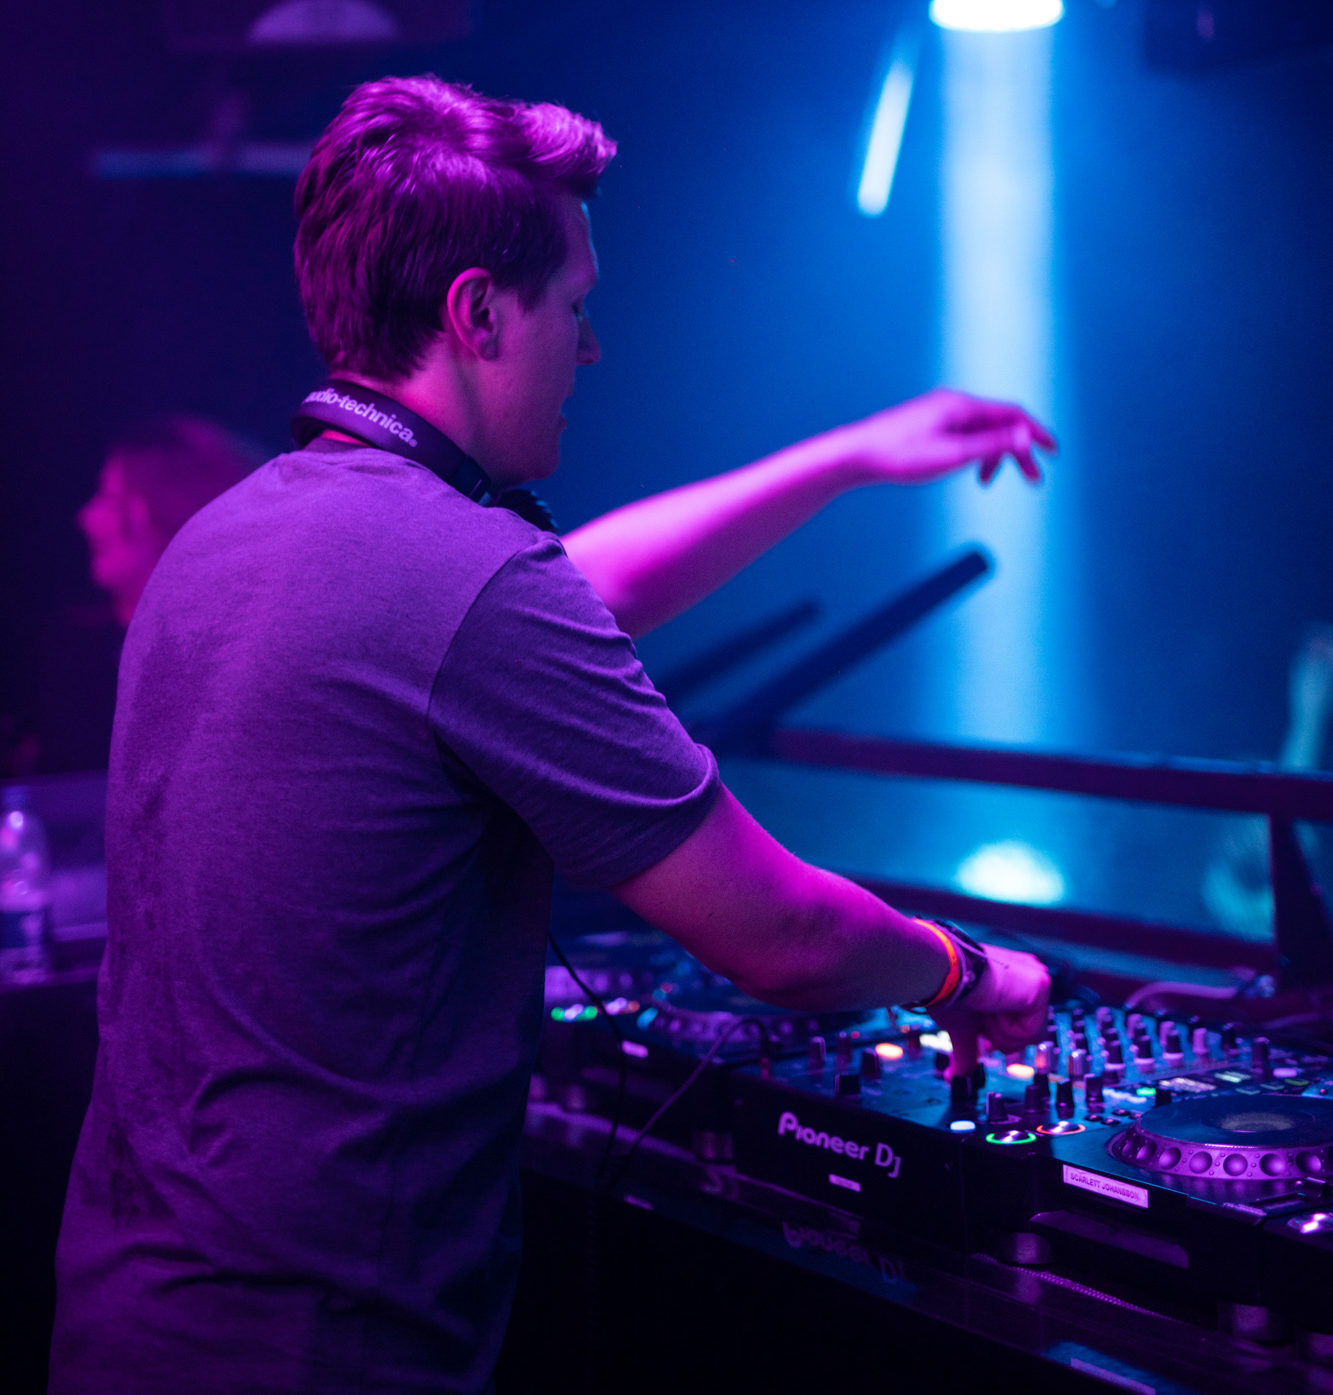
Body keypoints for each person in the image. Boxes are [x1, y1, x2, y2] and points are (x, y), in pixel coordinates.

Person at [50, 77, 1053, 1395]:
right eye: (573, 307)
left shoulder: (227, 537)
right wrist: (970, 971)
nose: (590, 350)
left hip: (125, 1313)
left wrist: (850, 455)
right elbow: (780, 936)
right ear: (478, 315)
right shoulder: (462, 576)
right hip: (317, 1350)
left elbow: (583, 584)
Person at [9, 417, 267, 776]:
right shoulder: (73, 653)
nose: (86, 517)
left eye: (108, 499)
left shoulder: (239, 658)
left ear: (168, 510)